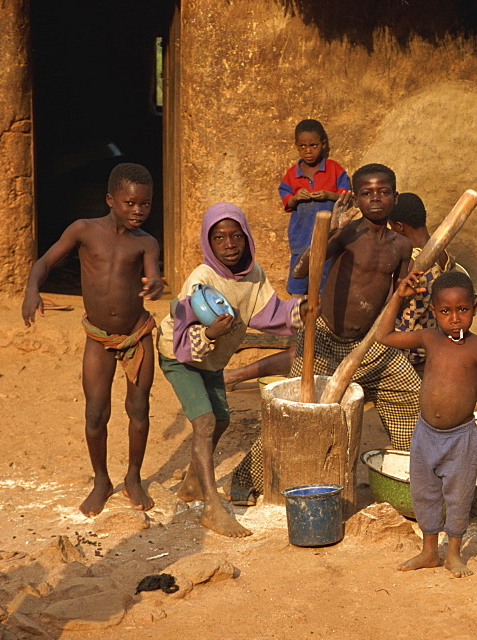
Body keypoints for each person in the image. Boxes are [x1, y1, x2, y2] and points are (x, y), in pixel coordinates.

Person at [229, 163, 420, 503]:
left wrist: (402, 301)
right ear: (356, 198)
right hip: (326, 338)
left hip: (373, 343)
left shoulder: (402, 246)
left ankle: (413, 474)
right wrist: (329, 231)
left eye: (383, 192)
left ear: (395, 196)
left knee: (411, 396)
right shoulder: (348, 234)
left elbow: (397, 296)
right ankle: (248, 477)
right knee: (296, 410)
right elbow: (303, 270)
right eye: (366, 193)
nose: (375, 199)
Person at [21, 163, 163, 516]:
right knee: (96, 413)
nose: (138, 211)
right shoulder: (84, 231)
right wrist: (31, 290)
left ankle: (133, 476)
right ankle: (101, 480)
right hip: (99, 338)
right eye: (130, 203)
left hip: (136, 335)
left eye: (145, 204)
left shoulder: (146, 243)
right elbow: (45, 262)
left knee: (139, 410)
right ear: (110, 199)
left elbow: (153, 276)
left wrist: (156, 284)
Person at [157, 202, 300, 537]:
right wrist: (208, 333)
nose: (230, 244)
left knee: (221, 419)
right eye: (220, 237)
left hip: (211, 360)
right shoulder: (201, 279)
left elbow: (271, 312)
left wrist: (303, 309)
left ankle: (193, 484)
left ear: (246, 237)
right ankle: (211, 508)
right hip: (180, 356)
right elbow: (179, 329)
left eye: (236, 236)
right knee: (205, 422)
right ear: (209, 242)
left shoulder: (254, 275)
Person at [376, 271, 477, 577]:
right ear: (434, 312)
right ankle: (428, 552)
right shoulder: (429, 338)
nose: (455, 318)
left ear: (475, 307)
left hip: (461, 437)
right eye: (446, 311)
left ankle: (453, 554)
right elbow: (383, 336)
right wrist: (399, 295)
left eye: (462, 310)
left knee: (459, 495)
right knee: (425, 492)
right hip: (425, 433)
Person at [388, 192, 470, 375]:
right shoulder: (444, 254)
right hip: (433, 343)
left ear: (399, 227)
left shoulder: (412, 261)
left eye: (391, 226)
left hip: (408, 349)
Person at [279, 119, 351, 297]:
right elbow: (286, 200)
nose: (308, 151)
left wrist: (328, 195)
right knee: (298, 280)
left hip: (329, 239)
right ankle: (297, 318)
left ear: (323, 144)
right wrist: (296, 198)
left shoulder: (334, 169)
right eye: (302, 146)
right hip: (301, 238)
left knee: (325, 283)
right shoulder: (292, 174)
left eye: (313, 145)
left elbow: (348, 197)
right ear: (297, 147)